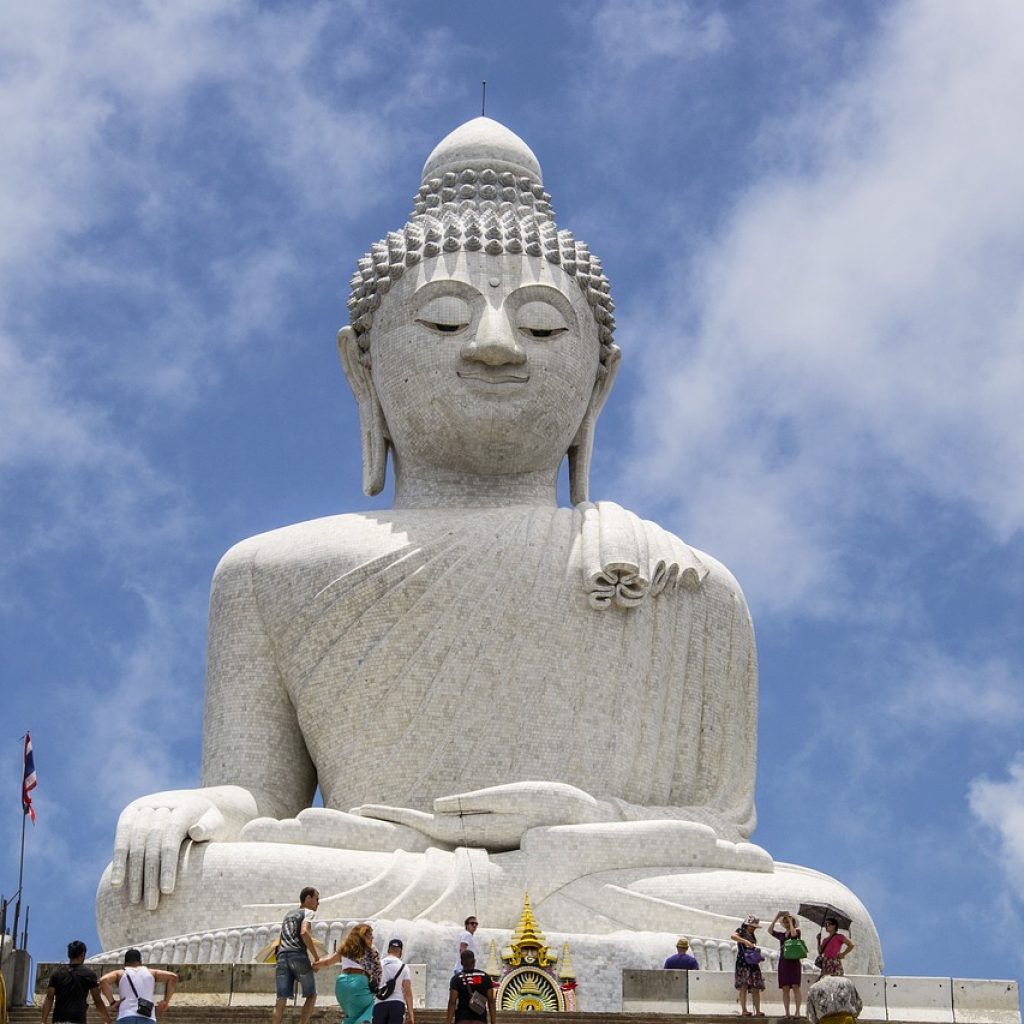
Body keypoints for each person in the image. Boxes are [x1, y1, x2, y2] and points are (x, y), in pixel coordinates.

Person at [96, 117, 882, 981]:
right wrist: (197, 811)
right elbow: (258, 795)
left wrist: (572, 824)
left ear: (599, 382)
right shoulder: (268, 572)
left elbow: (716, 828)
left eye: (542, 328)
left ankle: (455, 936)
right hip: (376, 868)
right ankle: (520, 939)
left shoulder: (685, 582)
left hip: (599, 874)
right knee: (151, 892)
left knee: (830, 917)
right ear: (362, 369)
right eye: (443, 320)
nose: (496, 346)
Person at [272, 887, 321, 1024]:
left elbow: (280, 940)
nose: (318, 903)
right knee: (311, 994)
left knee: (281, 999)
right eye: (316, 899)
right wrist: (317, 957)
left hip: (282, 956)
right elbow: (304, 933)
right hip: (297, 954)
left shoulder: (288, 915)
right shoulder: (308, 912)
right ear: (308, 898)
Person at [319, 922, 381, 1024]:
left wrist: (314, 965)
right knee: (375, 1003)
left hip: (341, 983)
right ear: (362, 936)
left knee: (351, 1015)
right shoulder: (371, 950)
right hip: (359, 982)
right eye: (370, 935)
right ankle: (364, 1021)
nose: (372, 937)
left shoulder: (345, 948)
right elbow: (378, 973)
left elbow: (327, 962)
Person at [41, 940, 111, 1024]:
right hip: (78, 1019)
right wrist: (107, 1019)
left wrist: (43, 1021)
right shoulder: (89, 974)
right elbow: (97, 1000)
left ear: (69, 955)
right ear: (82, 954)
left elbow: (49, 998)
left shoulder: (57, 974)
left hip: (59, 1019)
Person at [99, 949, 177, 1022]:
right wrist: (166, 1001)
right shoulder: (152, 972)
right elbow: (173, 977)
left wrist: (112, 1002)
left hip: (126, 1015)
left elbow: (103, 980)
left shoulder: (120, 973)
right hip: (147, 1016)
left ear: (125, 962)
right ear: (140, 962)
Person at [770, 911, 804, 1018]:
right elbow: (770, 931)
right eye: (784, 921)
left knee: (795, 986)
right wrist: (776, 917)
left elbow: (793, 935)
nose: (786, 923)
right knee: (785, 988)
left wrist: (790, 920)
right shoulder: (781, 935)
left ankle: (797, 1011)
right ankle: (787, 1012)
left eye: (787, 921)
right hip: (784, 962)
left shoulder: (797, 931)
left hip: (794, 961)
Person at [447, 950, 496, 1024]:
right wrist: (493, 1022)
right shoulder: (485, 977)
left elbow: (452, 1002)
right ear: (474, 961)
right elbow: (491, 1001)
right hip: (480, 1020)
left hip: (462, 1019)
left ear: (461, 963)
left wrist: (448, 1021)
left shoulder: (456, 978)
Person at [374, 938, 414, 1024]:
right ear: (401, 952)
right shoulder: (404, 967)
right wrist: (411, 1015)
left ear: (388, 950)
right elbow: (408, 992)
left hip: (380, 1003)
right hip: (397, 1004)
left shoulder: (378, 964)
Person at [731, 916, 765, 1016]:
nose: (753, 928)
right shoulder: (741, 931)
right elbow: (733, 936)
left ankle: (757, 1010)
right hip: (743, 962)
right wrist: (745, 941)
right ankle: (744, 1010)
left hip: (752, 962)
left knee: (756, 987)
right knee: (743, 986)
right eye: (752, 926)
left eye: (754, 927)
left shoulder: (752, 934)